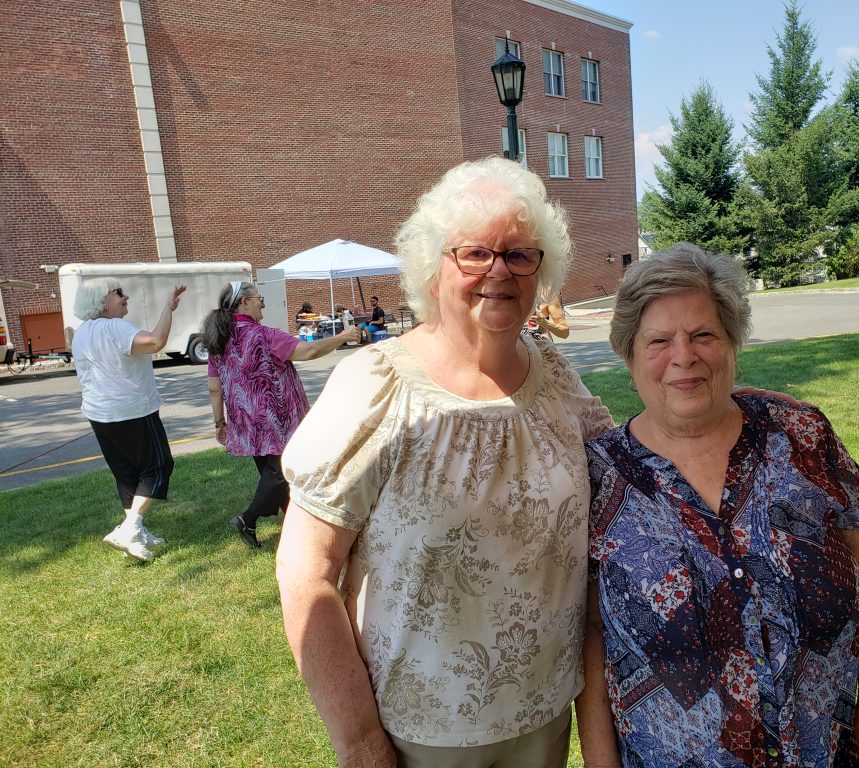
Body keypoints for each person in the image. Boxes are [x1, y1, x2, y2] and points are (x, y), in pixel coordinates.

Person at [276, 157, 614, 768]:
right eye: (475, 254)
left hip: (546, 716)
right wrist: (357, 740)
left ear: (542, 270)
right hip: (420, 735)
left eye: (519, 254)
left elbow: (631, 470)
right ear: (433, 270)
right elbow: (306, 574)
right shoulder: (374, 386)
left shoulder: (558, 380)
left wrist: (733, 408)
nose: (499, 272)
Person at [576, 244, 859, 768]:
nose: (684, 356)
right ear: (629, 354)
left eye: (703, 334)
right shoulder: (598, 476)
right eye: (659, 340)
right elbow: (592, 635)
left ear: (731, 343)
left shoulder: (801, 436)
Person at [201, 281, 359, 549]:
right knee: (283, 474)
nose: (262, 303)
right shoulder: (264, 335)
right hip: (276, 420)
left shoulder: (220, 340)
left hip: (246, 423)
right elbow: (307, 351)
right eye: (258, 298)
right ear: (244, 303)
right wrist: (342, 337)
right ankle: (247, 519)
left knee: (275, 478)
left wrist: (220, 422)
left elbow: (214, 387)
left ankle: (296, 532)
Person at [71, 279, 186, 562]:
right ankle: (131, 527)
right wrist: (168, 309)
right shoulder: (115, 327)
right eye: (118, 293)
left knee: (126, 474)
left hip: (100, 415)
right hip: (132, 411)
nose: (126, 297)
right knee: (159, 466)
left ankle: (136, 534)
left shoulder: (82, 332)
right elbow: (156, 342)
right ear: (101, 302)